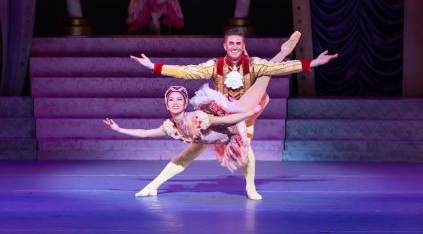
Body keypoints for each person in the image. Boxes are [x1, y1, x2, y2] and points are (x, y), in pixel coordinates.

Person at [130, 29, 338, 199]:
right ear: (225, 46)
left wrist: (313, 63)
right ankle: (153, 186)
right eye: (231, 43)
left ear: (244, 47)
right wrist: (155, 67)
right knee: (190, 153)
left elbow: (283, 69)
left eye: (239, 44)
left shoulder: (254, 63)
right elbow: (188, 71)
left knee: (267, 76)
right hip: (220, 113)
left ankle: (250, 187)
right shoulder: (215, 65)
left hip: (246, 110)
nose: (235, 47)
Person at [104, 84, 263, 197]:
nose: (175, 103)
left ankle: (251, 187)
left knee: (245, 151)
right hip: (203, 139)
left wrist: (250, 112)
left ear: (185, 103)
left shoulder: (197, 118)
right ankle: (152, 187)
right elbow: (145, 133)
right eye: (171, 100)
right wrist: (119, 129)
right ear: (166, 105)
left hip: (228, 132)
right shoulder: (170, 126)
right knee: (181, 159)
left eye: (179, 99)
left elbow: (229, 120)